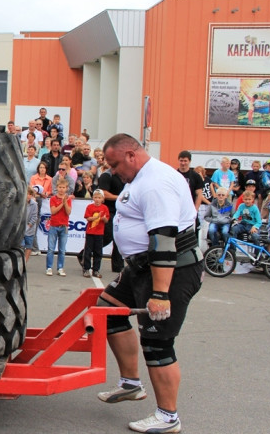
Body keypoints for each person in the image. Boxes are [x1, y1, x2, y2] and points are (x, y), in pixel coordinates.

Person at [98, 133, 202, 433]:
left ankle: (168, 417)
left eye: (116, 164)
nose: (113, 171)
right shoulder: (139, 177)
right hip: (139, 268)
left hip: (169, 271)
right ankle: (131, 383)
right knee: (108, 312)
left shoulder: (156, 183)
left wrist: (159, 294)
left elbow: (164, 241)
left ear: (132, 155)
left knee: (157, 343)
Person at [45, 179, 71, 276]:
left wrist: (65, 203)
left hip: (64, 226)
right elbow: (53, 211)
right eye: (60, 187)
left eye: (63, 188)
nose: (61, 189)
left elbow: (68, 212)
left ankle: (60, 267)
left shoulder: (68, 199)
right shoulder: (53, 199)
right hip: (54, 226)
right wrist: (62, 203)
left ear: (66, 188)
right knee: (51, 249)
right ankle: (49, 267)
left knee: (62, 250)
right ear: (57, 188)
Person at [83, 189, 110, 278]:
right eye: (95, 197)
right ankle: (86, 269)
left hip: (99, 233)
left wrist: (103, 218)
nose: (97, 199)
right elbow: (88, 218)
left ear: (102, 198)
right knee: (88, 251)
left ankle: (96, 269)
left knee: (98, 252)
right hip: (90, 232)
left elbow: (106, 221)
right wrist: (96, 217)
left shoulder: (105, 208)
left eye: (99, 197)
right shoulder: (90, 207)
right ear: (93, 198)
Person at [23, 187, 39, 263]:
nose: (28, 196)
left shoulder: (34, 204)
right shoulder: (21, 203)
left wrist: (28, 226)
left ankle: (25, 263)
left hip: (30, 229)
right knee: (21, 246)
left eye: (30, 194)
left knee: (29, 246)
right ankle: (20, 261)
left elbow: (34, 217)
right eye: (27, 194)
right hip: (21, 229)